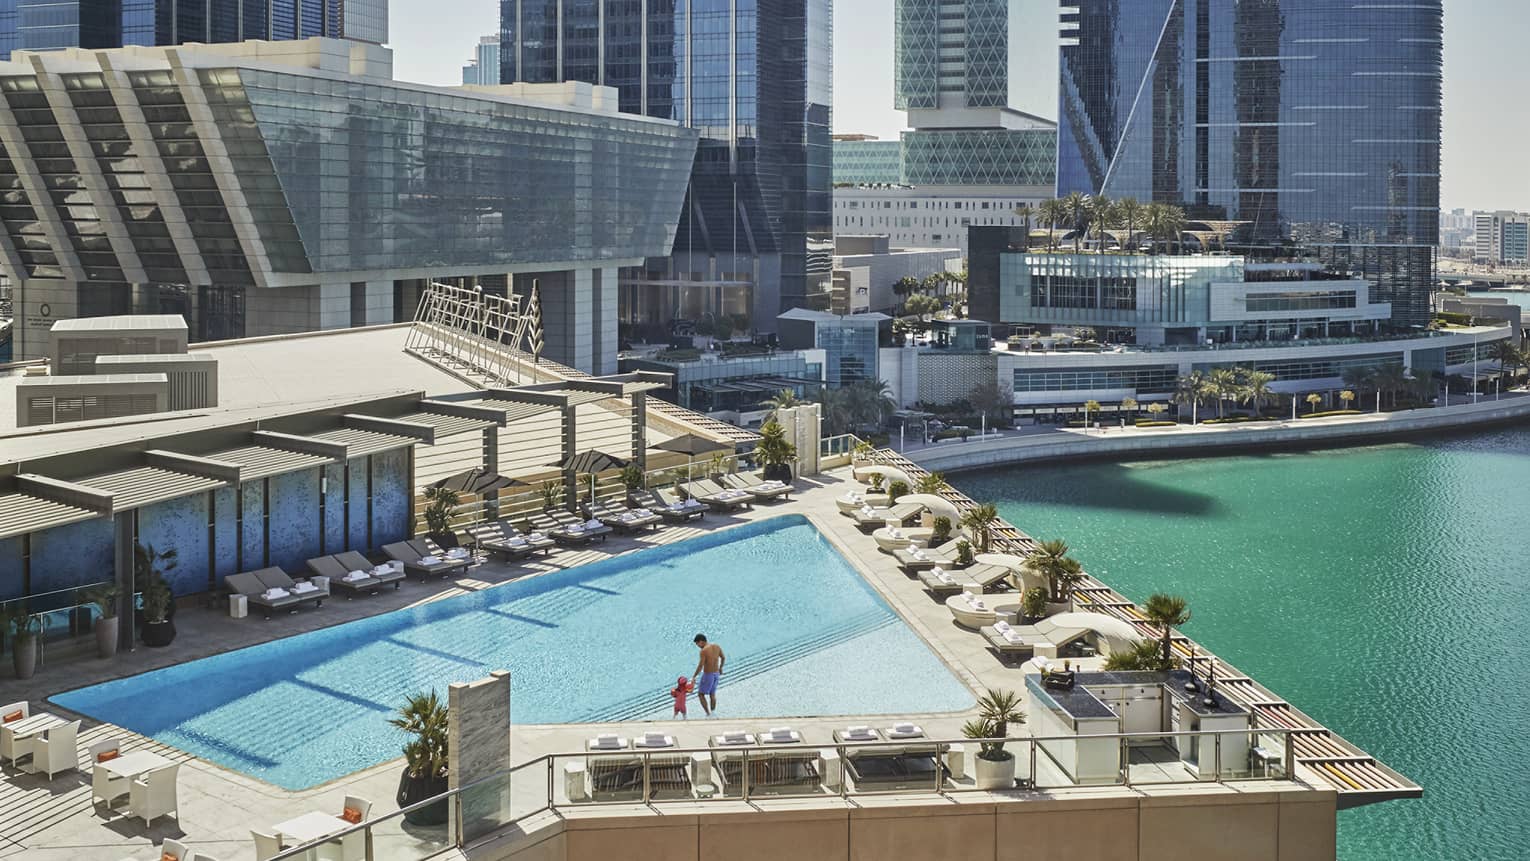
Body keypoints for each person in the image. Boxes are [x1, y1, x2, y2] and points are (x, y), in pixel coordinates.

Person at [691, 633, 725, 716]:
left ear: (701, 641)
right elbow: (723, 657)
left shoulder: (704, 651)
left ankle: (708, 713)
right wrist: (720, 668)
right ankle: (713, 712)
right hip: (716, 674)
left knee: (700, 694)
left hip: (708, 675)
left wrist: (694, 676)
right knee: (712, 694)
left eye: (697, 643)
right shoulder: (717, 646)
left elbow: (701, 665)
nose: (697, 646)